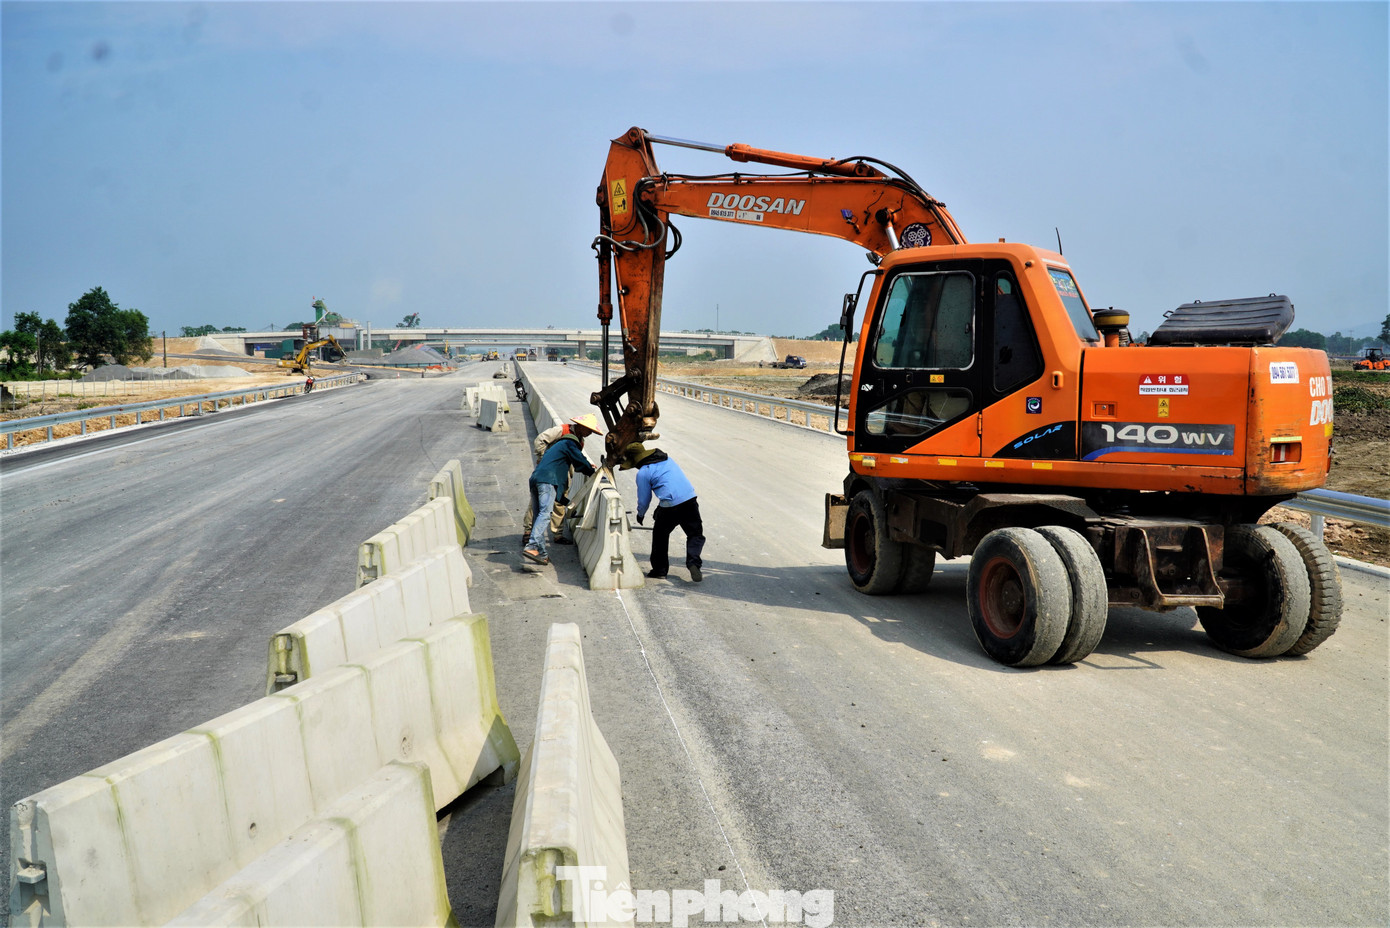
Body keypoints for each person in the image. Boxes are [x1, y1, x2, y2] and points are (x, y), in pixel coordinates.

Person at [621, 442, 705, 582]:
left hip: (670, 506)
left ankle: (659, 570)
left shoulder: (643, 472)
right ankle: (693, 563)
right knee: (695, 534)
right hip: (689, 499)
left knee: (660, 535)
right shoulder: (667, 459)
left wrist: (640, 514)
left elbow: (644, 499)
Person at [523, 416, 599, 565]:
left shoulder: (561, 446)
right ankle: (531, 545)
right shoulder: (570, 441)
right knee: (545, 514)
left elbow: (561, 487)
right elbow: (580, 463)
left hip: (537, 478)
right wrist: (592, 472)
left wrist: (567, 502)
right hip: (547, 480)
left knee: (539, 515)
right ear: (580, 426)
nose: (589, 434)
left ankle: (541, 553)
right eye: (589, 430)